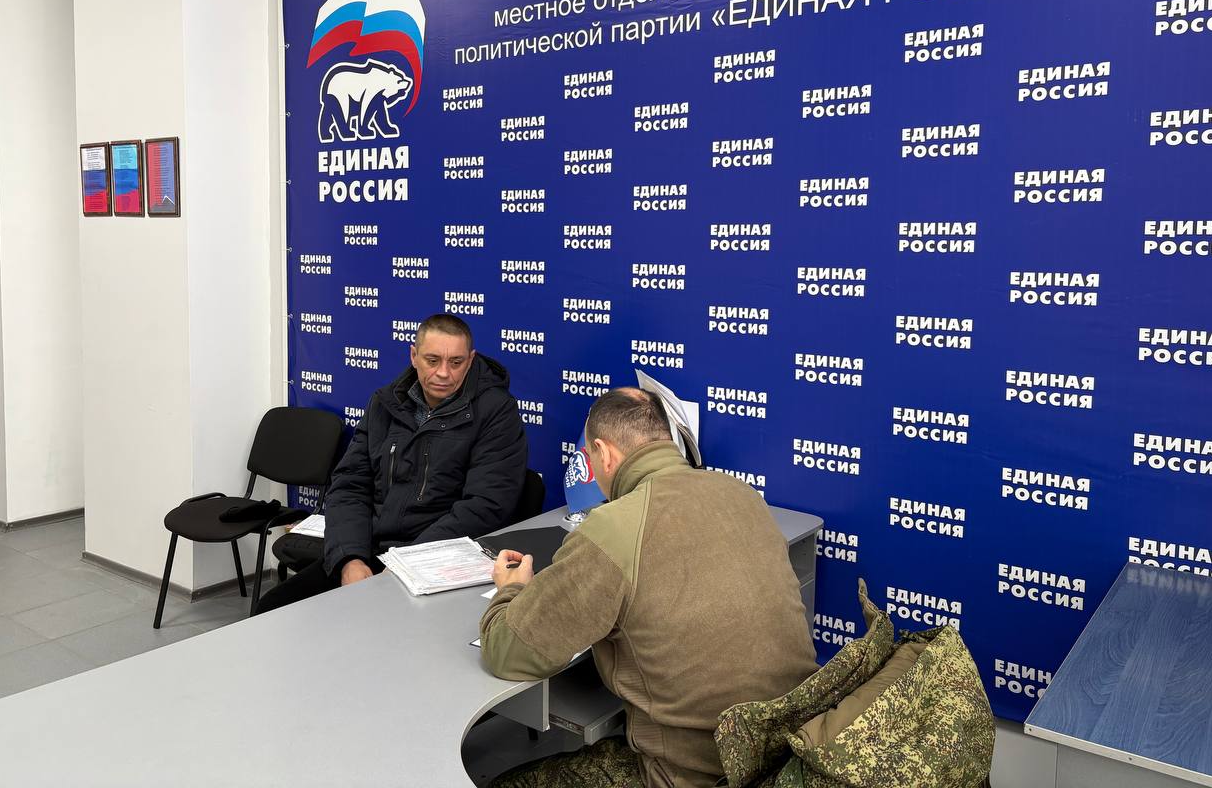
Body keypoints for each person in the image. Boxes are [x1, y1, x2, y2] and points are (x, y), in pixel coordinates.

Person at [479, 387, 818, 788]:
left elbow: (508, 652)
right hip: (790, 753)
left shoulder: (612, 529)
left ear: (603, 453)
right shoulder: (742, 495)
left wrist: (511, 590)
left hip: (697, 775)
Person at [257, 313, 527, 612]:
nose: (443, 373)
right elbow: (349, 486)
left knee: (371, 627)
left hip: (437, 561)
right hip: (371, 551)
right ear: (414, 356)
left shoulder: (496, 411)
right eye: (432, 360)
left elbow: (485, 505)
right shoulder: (385, 403)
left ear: (471, 359)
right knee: (271, 610)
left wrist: (406, 564)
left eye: (456, 362)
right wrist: (350, 559)